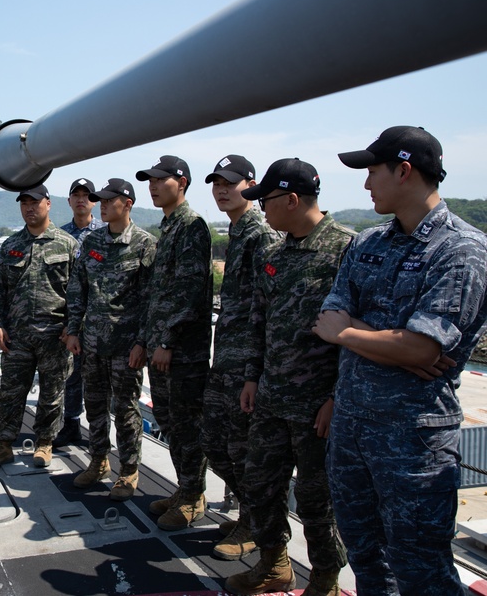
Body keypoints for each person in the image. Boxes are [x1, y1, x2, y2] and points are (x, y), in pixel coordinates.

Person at [315, 126, 487, 595]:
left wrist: (351, 333)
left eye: (372, 172)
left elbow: (421, 349)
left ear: (404, 171)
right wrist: (389, 342)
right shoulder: (367, 243)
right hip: (352, 429)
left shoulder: (461, 250)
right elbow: (327, 317)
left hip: (413, 440)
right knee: (366, 557)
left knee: (421, 570)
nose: (366, 184)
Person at [225, 158, 351, 596]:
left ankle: (325, 579)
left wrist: (337, 397)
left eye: (267, 201)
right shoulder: (273, 252)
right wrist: (251, 378)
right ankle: (274, 564)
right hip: (271, 398)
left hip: (317, 405)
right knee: (259, 484)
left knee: (317, 502)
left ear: (292, 200)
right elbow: (259, 321)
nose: (262, 209)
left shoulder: (344, 250)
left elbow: (356, 336)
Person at [199, 155, 281, 561]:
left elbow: (270, 307)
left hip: (247, 364)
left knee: (244, 450)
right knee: (215, 442)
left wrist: (256, 370)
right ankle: (253, 514)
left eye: (230, 182)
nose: (222, 189)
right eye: (216, 182)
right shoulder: (236, 232)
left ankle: (255, 523)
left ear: (251, 185)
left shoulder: (261, 235)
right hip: (226, 359)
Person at [0, 184, 79, 472]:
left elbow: (78, 291)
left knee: (52, 392)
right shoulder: (10, 246)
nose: (29, 208)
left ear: (48, 204)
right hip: (18, 337)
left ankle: (45, 443)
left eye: (35, 202)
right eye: (24, 203)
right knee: (10, 392)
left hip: (54, 336)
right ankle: (2, 446)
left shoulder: (67, 244)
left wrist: (72, 327)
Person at [65, 178, 156, 500]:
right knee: (95, 406)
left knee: (127, 410)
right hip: (92, 343)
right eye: (99, 201)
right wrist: (73, 330)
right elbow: (78, 291)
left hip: (126, 346)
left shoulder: (145, 244)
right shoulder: (91, 244)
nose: (101, 205)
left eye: (108, 201)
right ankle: (99, 460)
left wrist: (143, 343)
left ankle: (129, 470)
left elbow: (150, 300)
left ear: (127, 204)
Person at [135, 155, 213, 531]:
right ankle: (186, 489)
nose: (152, 185)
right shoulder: (168, 227)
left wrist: (166, 339)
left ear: (181, 182)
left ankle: (194, 496)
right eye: (149, 180)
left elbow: (190, 291)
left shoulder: (191, 227)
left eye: (159, 179)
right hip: (161, 347)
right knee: (168, 420)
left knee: (186, 424)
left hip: (182, 351)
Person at [55, 178, 104, 448]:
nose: (82, 199)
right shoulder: (60, 236)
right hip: (68, 319)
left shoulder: (106, 234)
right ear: (69, 201)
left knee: (98, 379)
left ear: (94, 201)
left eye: (87, 195)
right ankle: (71, 425)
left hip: (98, 319)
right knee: (70, 376)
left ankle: (98, 432)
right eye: (77, 195)